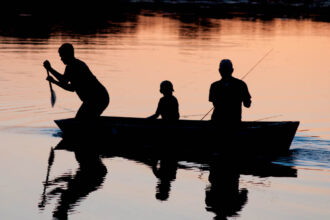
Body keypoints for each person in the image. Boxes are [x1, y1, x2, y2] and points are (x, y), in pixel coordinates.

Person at [43, 43, 109, 119]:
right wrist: (54, 81)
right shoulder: (72, 66)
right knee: (84, 120)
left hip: (97, 98)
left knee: (81, 121)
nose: (61, 59)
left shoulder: (74, 66)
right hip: (96, 99)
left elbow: (64, 81)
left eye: (62, 56)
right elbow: (71, 88)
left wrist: (50, 69)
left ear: (67, 55)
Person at [209, 59, 251, 124]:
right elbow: (247, 105)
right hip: (234, 121)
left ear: (219, 71)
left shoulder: (214, 86)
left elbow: (215, 104)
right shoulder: (241, 84)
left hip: (217, 121)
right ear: (232, 70)